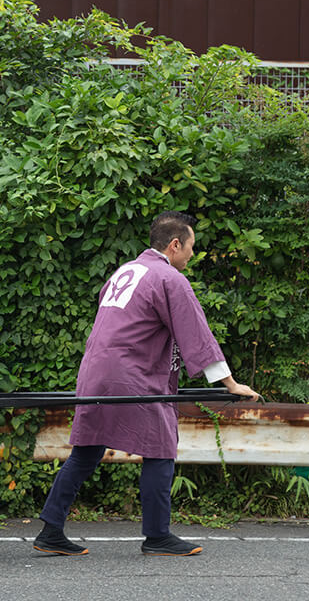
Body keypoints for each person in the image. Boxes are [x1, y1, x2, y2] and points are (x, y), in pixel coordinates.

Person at [33, 211, 259, 558]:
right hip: (131, 374)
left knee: (87, 450)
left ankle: (51, 530)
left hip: (95, 371)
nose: (191, 255)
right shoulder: (169, 278)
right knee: (161, 447)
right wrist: (229, 383)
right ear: (174, 244)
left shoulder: (125, 270)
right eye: (191, 247)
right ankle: (157, 535)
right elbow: (196, 334)